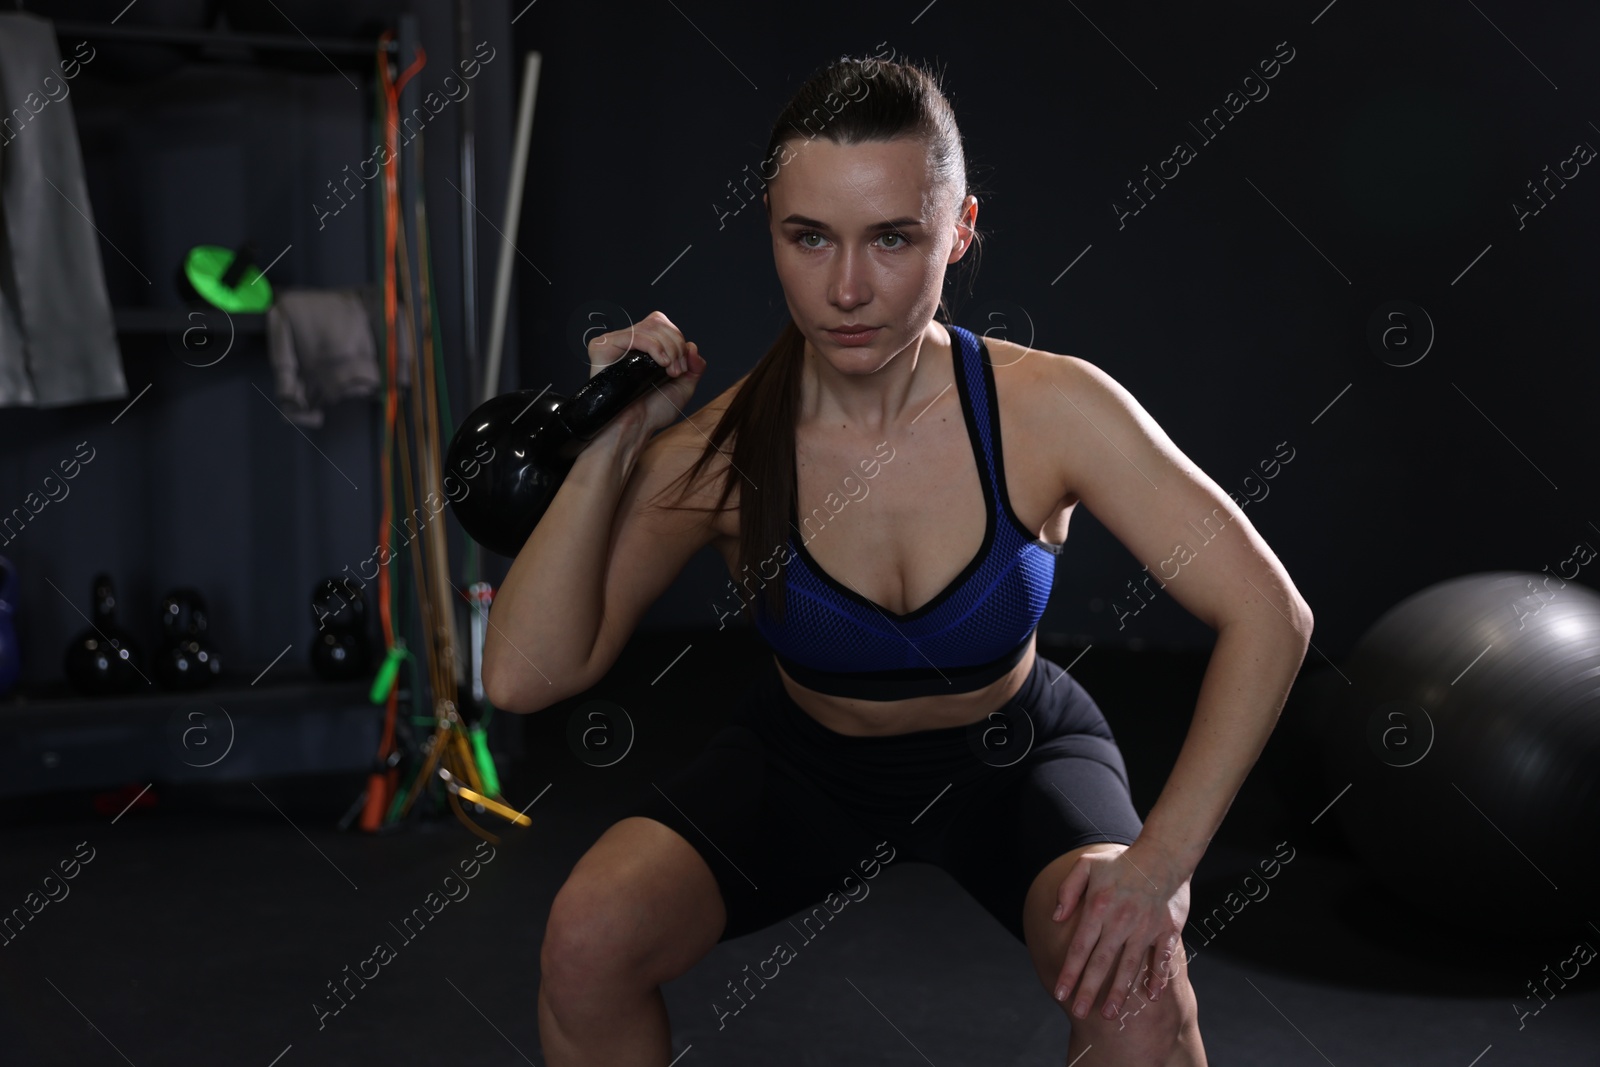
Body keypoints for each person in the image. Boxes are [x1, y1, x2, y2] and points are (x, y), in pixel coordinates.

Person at [484, 54, 1312, 1067]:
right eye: (809, 237)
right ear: (773, 234)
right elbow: (522, 675)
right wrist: (615, 441)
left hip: (1012, 757)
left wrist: (1162, 864)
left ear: (957, 232)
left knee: (1136, 986)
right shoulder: (718, 450)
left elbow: (1270, 614)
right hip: (803, 763)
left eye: (892, 238)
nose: (846, 288)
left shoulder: (1049, 409)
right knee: (587, 936)